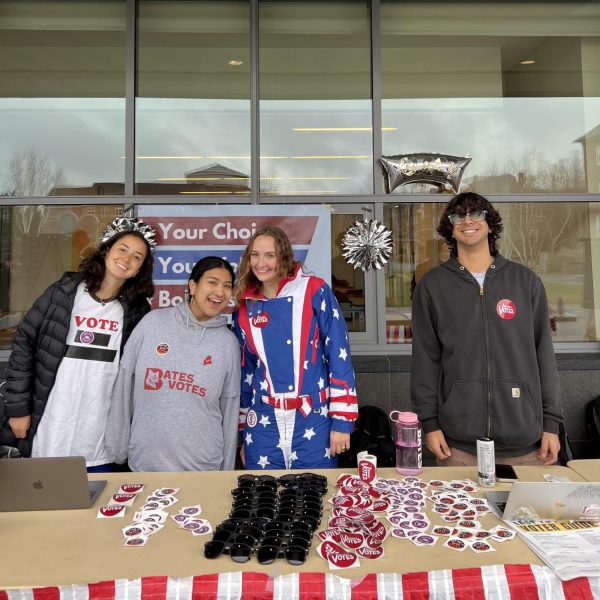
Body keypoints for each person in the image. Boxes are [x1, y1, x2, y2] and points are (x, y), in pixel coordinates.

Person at [411, 192, 564, 466]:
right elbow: (426, 360)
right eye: (458, 216)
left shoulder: (525, 281)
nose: (467, 220)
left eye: (476, 214)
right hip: (457, 444)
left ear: (490, 224)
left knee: (523, 511)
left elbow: (544, 354)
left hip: (524, 443)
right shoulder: (432, 286)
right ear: (451, 228)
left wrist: (551, 423)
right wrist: (430, 423)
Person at [2, 217, 156, 471]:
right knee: (44, 498)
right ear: (106, 250)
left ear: (140, 269)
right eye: (123, 250)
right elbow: (24, 345)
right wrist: (18, 409)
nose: (127, 260)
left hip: (99, 433)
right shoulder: (64, 292)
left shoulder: (138, 311)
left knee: (94, 501)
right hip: (51, 422)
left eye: (137, 257)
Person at [233, 225, 358, 470]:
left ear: (283, 256)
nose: (261, 262)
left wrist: (342, 422)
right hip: (263, 421)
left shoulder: (314, 290)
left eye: (270, 255)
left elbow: (339, 355)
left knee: (314, 497)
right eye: (255, 255)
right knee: (264, 498)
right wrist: (243, 434)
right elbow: (245, 372)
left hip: (313, 417)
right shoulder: (244, 307)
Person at [105, 256, 240, 471]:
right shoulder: (152, 323)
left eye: (227, 286)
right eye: (212, 282)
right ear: (193, 285)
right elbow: (124, 383)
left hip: (203, 470)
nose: (220, 292)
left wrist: (225, 474)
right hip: (145, 465)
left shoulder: (228, 343)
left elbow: (230, 408)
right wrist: (117, 447)